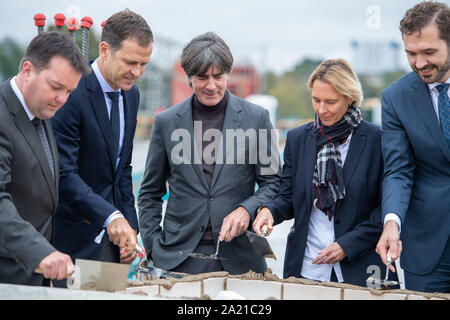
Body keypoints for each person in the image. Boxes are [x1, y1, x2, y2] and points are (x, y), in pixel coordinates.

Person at [138, 32, 280, 275]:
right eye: (202, 77)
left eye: (218, 76)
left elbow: (273, 183)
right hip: (176, 260)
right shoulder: (166, 122)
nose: (211, 85)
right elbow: (150, 192)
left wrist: (246, 210)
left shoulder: (257, 119)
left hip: (240, 260)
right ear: (189, 77)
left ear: (228, 74)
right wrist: (153, 247)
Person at [253, 59, 398, 287]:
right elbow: (288, 196)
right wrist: (269, 211)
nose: (321, 109)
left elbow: (388, 207)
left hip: (362, 269)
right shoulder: (297, 139)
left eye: (330, 101)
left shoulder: (377, 140)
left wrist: (347, 245)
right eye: (316, 100)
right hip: (306, 268)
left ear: (350, 98)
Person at [51, 10, 153, 265]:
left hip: (112, 244)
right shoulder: (71, 93)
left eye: (143, 64)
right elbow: (63, 174)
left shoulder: (132, 95)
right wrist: (111, 217)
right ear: (105, 49)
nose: (137, 71)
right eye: (130, 62)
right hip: (68, 242)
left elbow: (123, 168)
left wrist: (130, 225)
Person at [0, 32, 90, 286]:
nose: (63, 99)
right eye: (56, 87)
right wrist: (41, 253)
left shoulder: (40, 110)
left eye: (69, 91)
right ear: (27, 70)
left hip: (34, 275)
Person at [376, 1, 450, 293]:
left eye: (429, 52)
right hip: (427, 247)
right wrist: (391, 223)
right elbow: (398, 170)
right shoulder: (395, 98)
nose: (419, 63)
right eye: (411, 54)